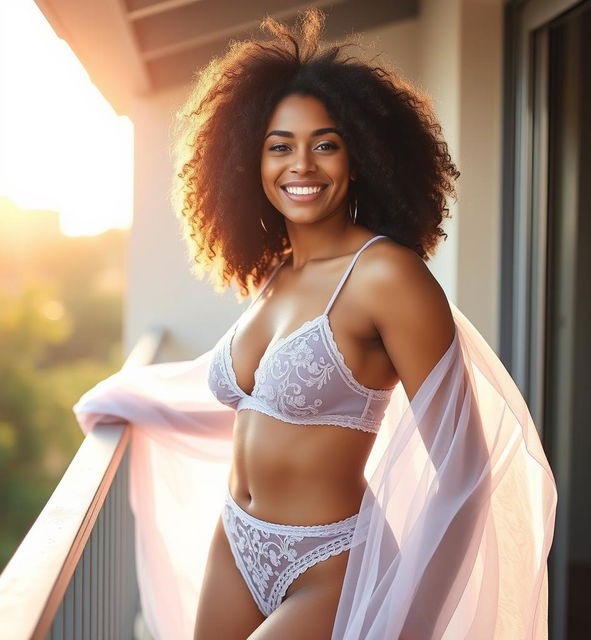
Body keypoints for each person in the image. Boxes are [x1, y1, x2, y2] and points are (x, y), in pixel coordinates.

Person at [74, 8, 557, 640]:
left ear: (361, 157)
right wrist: (118, 398)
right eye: (280, 146)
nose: (301, 165)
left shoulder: (387, 276)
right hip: (237, 543)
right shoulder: (276, 276)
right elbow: (234, 396)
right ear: (250, 161)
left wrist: (409, 616)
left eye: (325, 144)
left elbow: (466, 472)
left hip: (329, 564)